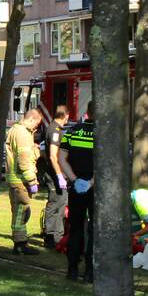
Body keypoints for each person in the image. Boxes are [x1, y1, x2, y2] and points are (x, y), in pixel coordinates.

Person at [59, 101, 95, 282]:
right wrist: (91, 182)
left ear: (87, 112)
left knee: (75, 227)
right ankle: (90, 271)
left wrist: (74, 179)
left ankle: (72, 269)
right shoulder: (104, 134)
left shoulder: (72, 131)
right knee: (95, 229)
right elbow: (106, 164)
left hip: (76, 187)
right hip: (95, 188)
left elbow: (61, 158)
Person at [5, 109, 42, 255]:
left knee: (19, 212)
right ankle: (20, 243)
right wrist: (32, 181)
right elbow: (24, 160)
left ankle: (20, 241)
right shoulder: (22, 133)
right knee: (22, 212)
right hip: (21, 181)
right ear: (31, 119)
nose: (36, 128)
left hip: (15, 179)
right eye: (36, 124)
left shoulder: (16, 129)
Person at [40, 106, 70, 249]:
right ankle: (50, 236)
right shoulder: (55, 131)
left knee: (61, 203)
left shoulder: (52, 128)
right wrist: (59, 175)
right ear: (66, 116)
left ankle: (57, 235)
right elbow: (53, 155)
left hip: (55, 173)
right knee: (55, 204)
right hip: (55, 175)